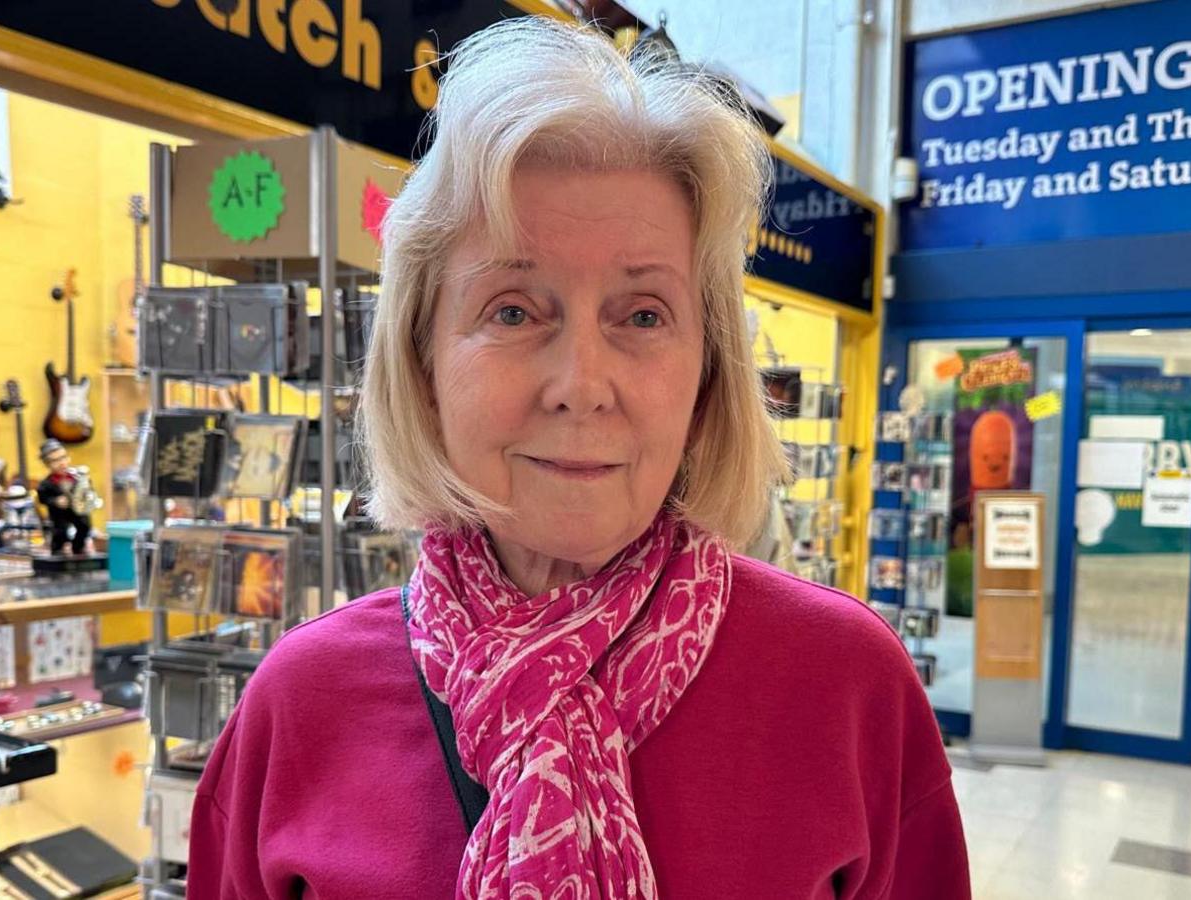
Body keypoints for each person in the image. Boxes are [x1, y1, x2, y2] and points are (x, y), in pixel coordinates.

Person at [190, 17, 968, 899]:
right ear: (422, 360)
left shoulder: (846, 685)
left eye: (643, 315)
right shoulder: (302, 703)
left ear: (709, 368)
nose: (581, 385)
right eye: (514, 310)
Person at [36, 439, 90, 555]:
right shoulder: (46, 483)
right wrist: (55, 501)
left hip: (77, 511)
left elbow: (86, 490)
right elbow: (42, 498)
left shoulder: (77, 478)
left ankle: (78, 548)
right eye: (55, 460)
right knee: (59, 531)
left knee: (84, 526)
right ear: (47, 464)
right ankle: (58, 551)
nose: (62, 463)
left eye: (63, 457)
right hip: (58, 514)